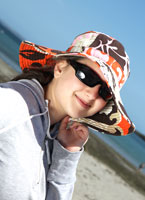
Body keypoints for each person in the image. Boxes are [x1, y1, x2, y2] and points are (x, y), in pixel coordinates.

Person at [0, 31, 135, 200]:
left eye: (104, 91)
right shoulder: (12, 104)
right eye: (86, 75)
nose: (92, 95)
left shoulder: (57, 136)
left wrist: (67, 153)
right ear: (60, 67)